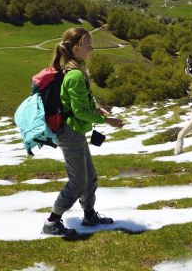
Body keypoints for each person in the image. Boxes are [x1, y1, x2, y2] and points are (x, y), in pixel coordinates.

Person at [42, 27, 124, 236]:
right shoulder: (75, 75)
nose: (91, 47)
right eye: (88, 44)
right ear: (76, 47)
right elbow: (78, 111)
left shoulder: (76, 69)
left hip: (75, 131)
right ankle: (52, 222)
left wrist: (96, 108)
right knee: (78, 181)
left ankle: (89, 215)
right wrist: (107, 120)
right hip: (70, 133)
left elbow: (78, 103)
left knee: (90, 176)